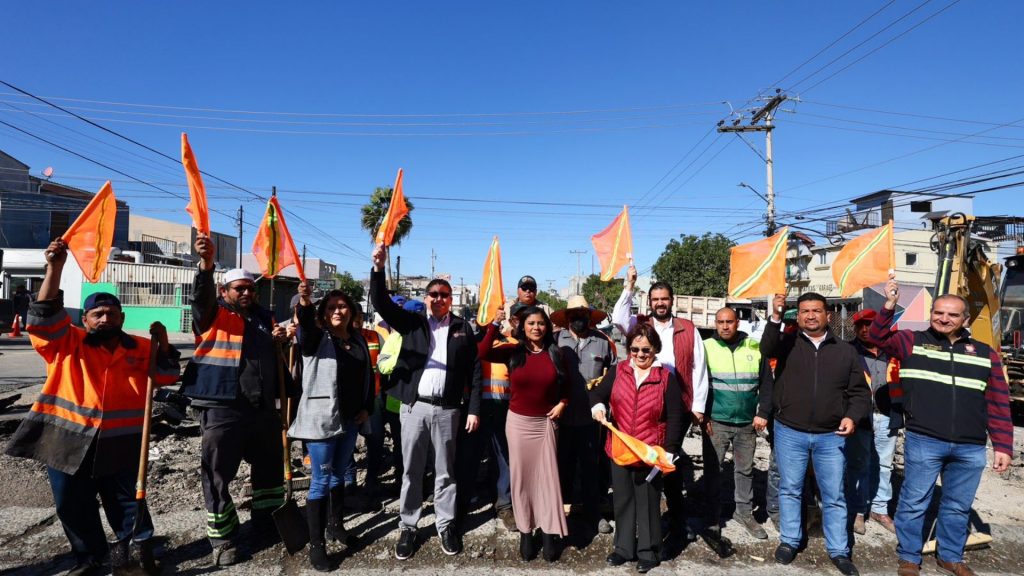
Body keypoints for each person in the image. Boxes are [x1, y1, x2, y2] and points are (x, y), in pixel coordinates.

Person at [5, 239, 181, 576]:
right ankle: (90, 558)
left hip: (122, 441)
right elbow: (42, 318)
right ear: (84, 319)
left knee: (129, 502)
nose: (104, 319)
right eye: (97, 314)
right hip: (66, 439)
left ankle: (136, 556)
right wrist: (55, 268)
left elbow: (167, 375)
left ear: (122, 317)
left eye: (111, 314)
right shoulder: (65, 342)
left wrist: (164, 344)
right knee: (72, 503)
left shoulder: (141, 347)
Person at [870, 278, 1012, 576]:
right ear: (930, 314)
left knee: (958, 506)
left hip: (970, 446)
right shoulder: (911, 341)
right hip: (925, 440)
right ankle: (909, 556)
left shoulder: (985, 353)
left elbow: (998, 404)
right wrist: (889, 304)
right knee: (913, 502)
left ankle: (950, 556)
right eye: (938, 313)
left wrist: (1003, 446)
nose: (944, 318)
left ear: (965, 319)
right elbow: (878, 336)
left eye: (952, 314)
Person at [179, 234, 293, 566]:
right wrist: (206, 266)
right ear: (224, 292)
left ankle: (267, 521)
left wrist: (282, 342)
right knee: (217, 474)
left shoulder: (265, 319)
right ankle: (225, 537)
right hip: (222, 409)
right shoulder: (212, 315)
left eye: (249, 288)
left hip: (261, 410)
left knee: (269, 471)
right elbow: (200, 298)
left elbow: (273, 359)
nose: (245, 292)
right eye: (238, 288)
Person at [369, 244, 481, 560]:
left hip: (448, 410)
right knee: (411, 470)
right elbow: (381, 303)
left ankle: (446, 525)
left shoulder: (462, 328)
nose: (438, 298)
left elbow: (474, 370)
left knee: (445, 471)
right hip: (415, 407)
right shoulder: (412, 322)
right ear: (426, 298)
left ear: (451, 299)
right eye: (433, 294)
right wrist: (378, 268)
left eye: (444, 294)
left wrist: (472, 410)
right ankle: (409, 526)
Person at [760, 292, 870, 576]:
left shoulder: (845, 351)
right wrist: (775, 316)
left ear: (828, 315)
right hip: (790, 431)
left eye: (816, 311)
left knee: (833, 494)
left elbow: (859, 392)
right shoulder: (787, 343)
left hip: (831, 435)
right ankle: (790, 540)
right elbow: (766, 347)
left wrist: (851, 416)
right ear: (798, 316)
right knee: (790, 488)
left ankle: (839, 550)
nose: (811, 315)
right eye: (805, 311)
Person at [611, 264, 709, 537]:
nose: (660, 303)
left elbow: (699, 368)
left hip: (676, 408)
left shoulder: (687, 329)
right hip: (645, 408)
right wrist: (629, 286)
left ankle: (679, 521)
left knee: (671, 465)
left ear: (672, 301)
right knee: (645, 466)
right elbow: (619, 317)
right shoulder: (641, 326)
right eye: (655, 299)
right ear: (649, 302)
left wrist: (698, 407)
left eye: (664, 299)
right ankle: (646, 524)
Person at [289, 286, 374, 571]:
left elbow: (367, 376)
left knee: (340, 475)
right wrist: (304, 301)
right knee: (320, 481)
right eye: (331, 308)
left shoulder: (358, 340)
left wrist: (367, 407)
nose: (338, 311)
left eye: (343, 306)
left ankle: (336, 526)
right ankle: (317, 546)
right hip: (322, 421)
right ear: (323, 314)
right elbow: (304, 330)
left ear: (351, 311)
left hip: (350, 421)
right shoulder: (316, 339)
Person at [590, 324, 684, 574]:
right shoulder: (618, 371)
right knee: (622, 500)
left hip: (649, 452)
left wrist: (670, 449)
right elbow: (598, 394)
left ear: (655, 350)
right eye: (634, 349)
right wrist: (598, 407)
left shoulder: (666, 378)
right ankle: (623, 549)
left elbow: (675, 416)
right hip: (620, 449)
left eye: (646, 350)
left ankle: (649, 551)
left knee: (649, 503)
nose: (640, 355)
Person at [479, 305, 569, 562]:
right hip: (518, 424)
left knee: (548, 480)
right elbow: (482, 352)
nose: (536, 327)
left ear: (547, 327)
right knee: (522, 480)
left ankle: (550, 531)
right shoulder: (513, 351)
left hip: (545, 424)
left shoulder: (555, 353)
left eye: (541, 323)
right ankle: (526, 531)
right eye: (531, 323)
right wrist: (494, 325)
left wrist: (563, 403)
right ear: (522, 326)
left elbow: (567, 385)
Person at [701, 307, 768, 541]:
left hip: (747, 422)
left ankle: (744, 513)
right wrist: (702, 415)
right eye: (720, 322)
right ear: (715, 323)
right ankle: (711, 517)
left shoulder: (753, 346)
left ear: (737, 322)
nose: (725, 326)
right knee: (713, 471)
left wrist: (763, 412)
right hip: (716, 422)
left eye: (729, 321)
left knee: (745, 471)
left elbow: (766, 381)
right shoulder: (706, 347)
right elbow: (698, 383)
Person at [551, 295, 615, 534]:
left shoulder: (603, 341)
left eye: (583, 315)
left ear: (590, 316)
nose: (579, 319)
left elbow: (614, 374)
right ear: (568, 318)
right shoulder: (555, 340)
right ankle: (559, 512)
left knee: (591, 467)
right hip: (562, 417)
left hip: (592, 420)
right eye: (575, 315)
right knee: (562, 466)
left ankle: (593, 513)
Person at [845, 309, 898, 536]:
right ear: (856, 328)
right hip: (860, 417)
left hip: (887, 415)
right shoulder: (848, 351)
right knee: (859, 464)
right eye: (862, 325)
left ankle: (879, 508)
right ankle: (858, 510)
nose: (866, 329)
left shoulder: (893, 351)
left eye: (871, 324)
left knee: (885, 465)